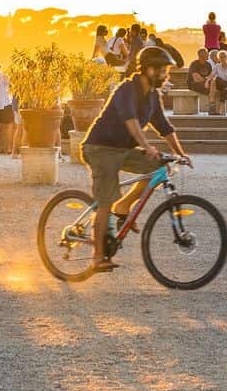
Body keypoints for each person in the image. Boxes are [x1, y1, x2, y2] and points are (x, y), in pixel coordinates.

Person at [81, 46, 192, 274]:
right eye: (163, 71)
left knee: (158, 167)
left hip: (122, 149)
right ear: (149, 70)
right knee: (105, 201)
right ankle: (97, 257)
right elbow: (130, 120)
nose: (166, 76)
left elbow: (163, 126)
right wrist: (146, 146)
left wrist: (180, 153)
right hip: (100, 149)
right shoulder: (126, 90)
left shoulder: (152, 96)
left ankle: (123, 206)